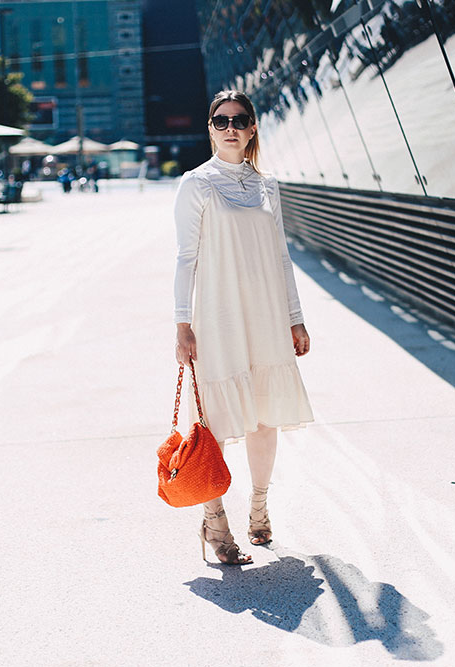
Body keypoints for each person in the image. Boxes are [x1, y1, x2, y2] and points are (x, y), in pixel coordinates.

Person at [174, 90, 313, 566]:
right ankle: (215, 521)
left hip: (266, 315)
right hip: (218, 318)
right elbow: (185, 259)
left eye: (239, 119)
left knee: (264, 415)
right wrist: (182, 324)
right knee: (214, 422)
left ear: (253, 128)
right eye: (220, 120)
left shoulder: (267, 185)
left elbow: (281, 258)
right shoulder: (196, 184)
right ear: (210, 128)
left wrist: (294, 317)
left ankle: (259, 510)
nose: (230, 126)